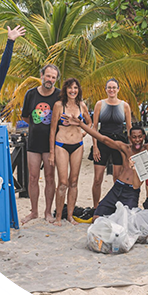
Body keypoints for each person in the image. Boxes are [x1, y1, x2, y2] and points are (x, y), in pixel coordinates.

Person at [66, 114, 148, 222]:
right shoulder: (124, 148)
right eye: (134, 137)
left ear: (144, 137)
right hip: (117, 187)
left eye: (139, 137)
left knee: (127, 221)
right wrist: (81, 124)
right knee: (96, 218)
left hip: (132, 192)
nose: (137, 140)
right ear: (129, 138)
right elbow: (103, 138)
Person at [20, 64, 61, 224]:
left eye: (53, 77)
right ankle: (34, 211)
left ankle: (48, 211)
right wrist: (38, 125)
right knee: (32, 177)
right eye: (48, 76)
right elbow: (25, 117)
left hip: (51, 144)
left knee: (50, 178)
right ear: (42, 75)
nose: (50, 79)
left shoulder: (59, 95)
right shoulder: (30, 94)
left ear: (56, 79)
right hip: (34, 142)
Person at [49, 78, 92, 226]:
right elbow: (53, 129)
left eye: (75, 88)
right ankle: (59, 216)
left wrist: (83, 133)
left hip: (77, 145)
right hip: (61, 145)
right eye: (70, 88)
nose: (73, 91)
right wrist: (52, 153)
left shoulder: (82, 105)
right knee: (62, 183)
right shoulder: (58, 106)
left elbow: (90, 123)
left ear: (78, 90)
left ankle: (70, 216)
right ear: (65, 90)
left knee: (73, 182)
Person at [90, 78, 132, 209]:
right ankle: (96, 206)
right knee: (97, 179)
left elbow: (129, 128)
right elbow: (94, 127)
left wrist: (130, 149)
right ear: (106, 89)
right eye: (109, 87)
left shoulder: (125, 106)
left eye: (114, 87)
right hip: (102, 141)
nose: (111, 90)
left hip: (119, 143)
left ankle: (116, 206)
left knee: (117, 178)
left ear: (118, 89)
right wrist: (95, 146)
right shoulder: (100, 104)